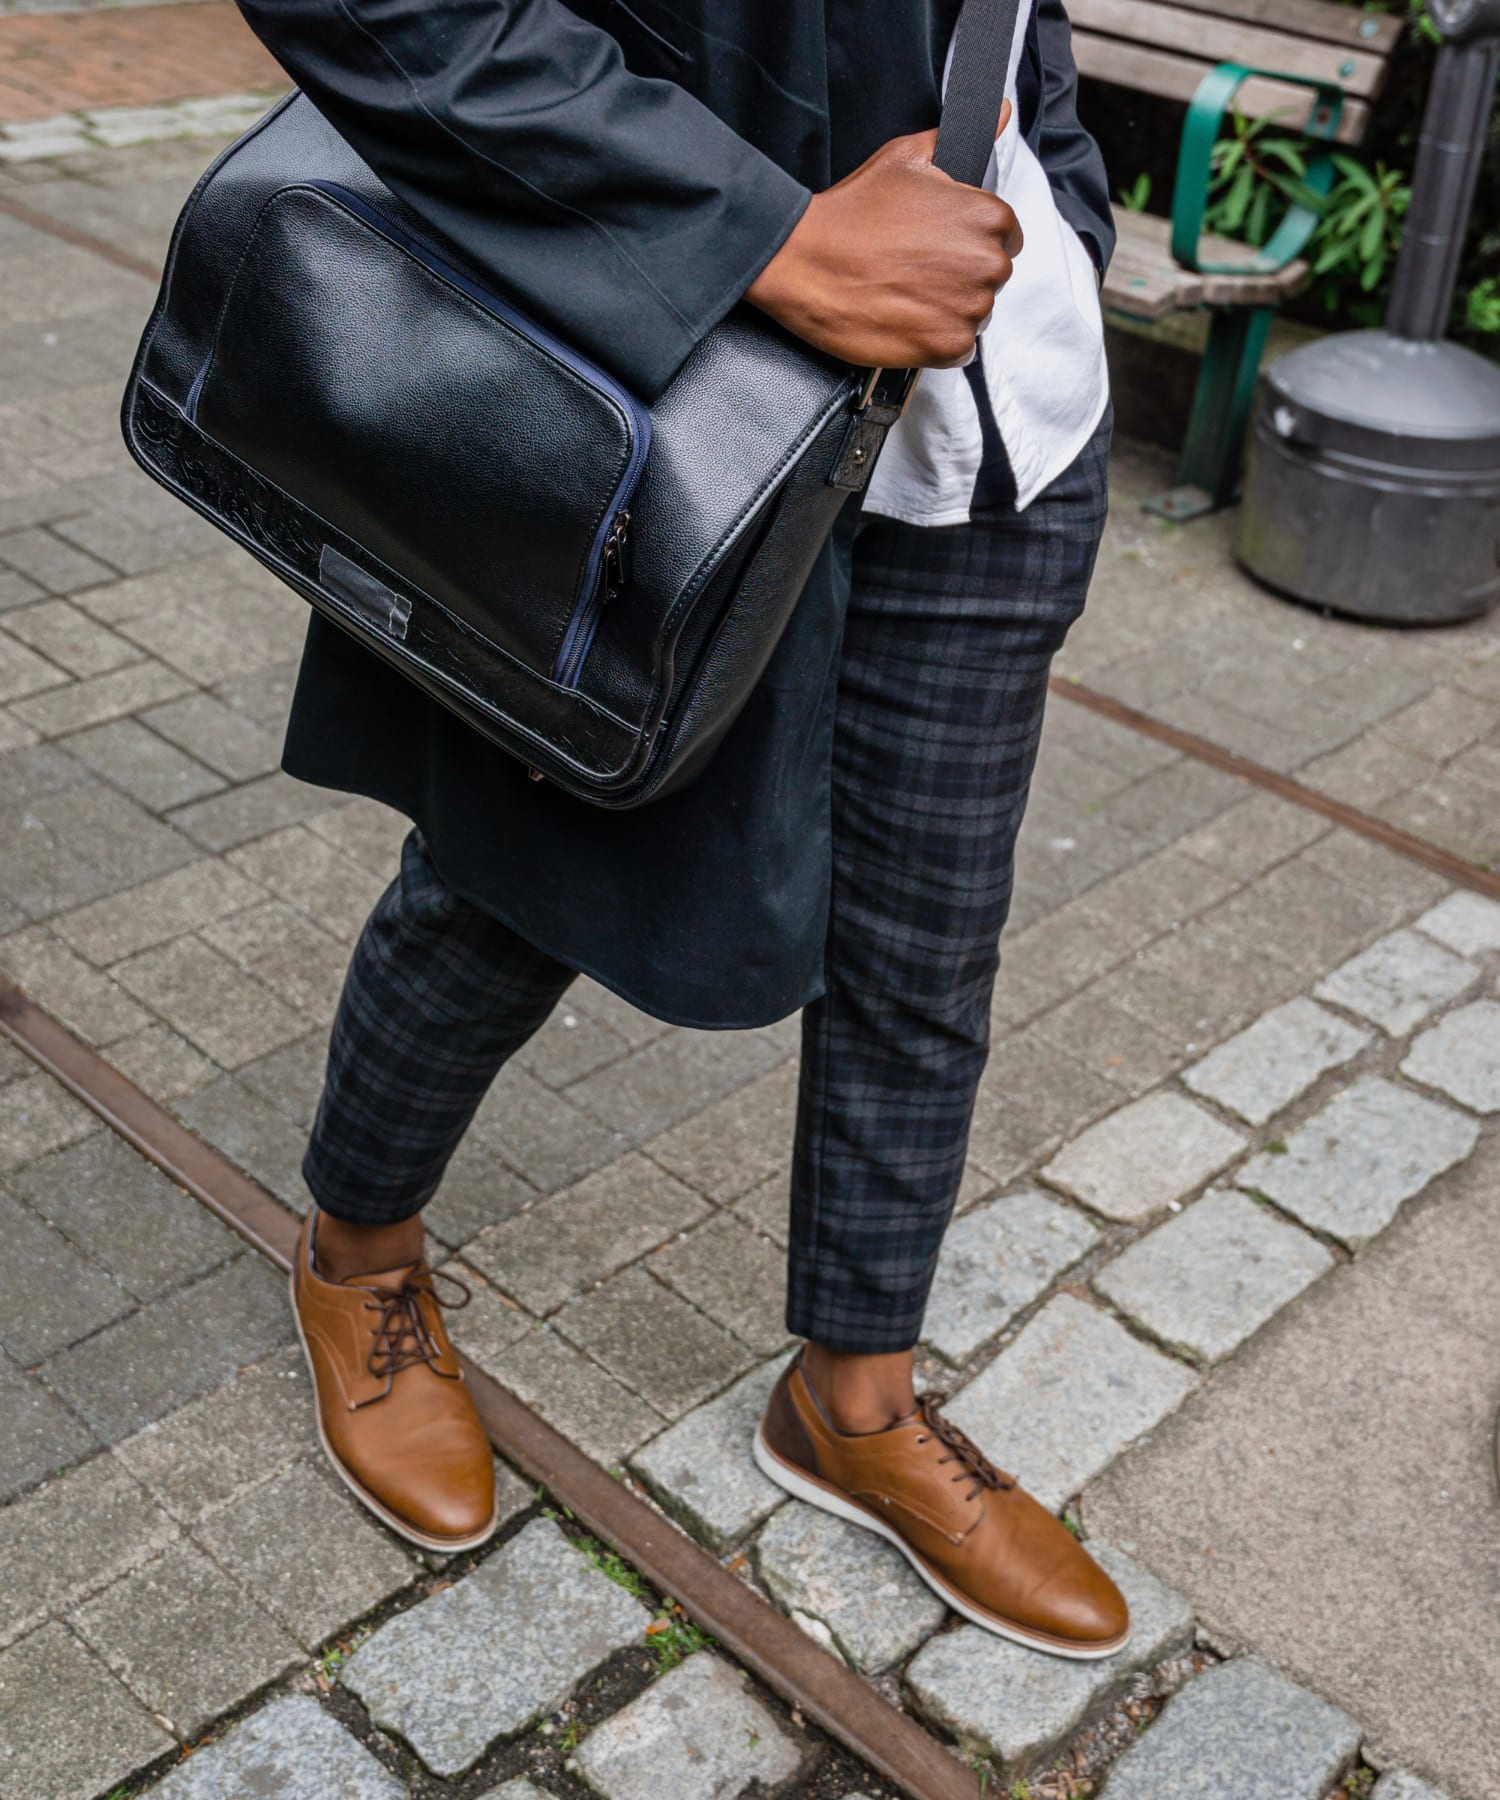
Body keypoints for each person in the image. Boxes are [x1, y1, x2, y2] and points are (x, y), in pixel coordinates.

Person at [239, 0, 1128, 1658]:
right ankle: (356, 1256)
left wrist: (1054, 198)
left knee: (927, 942)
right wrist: (762, 241)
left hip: (996, 423)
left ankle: (852, 1400)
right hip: (684, 393)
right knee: (515, 891)